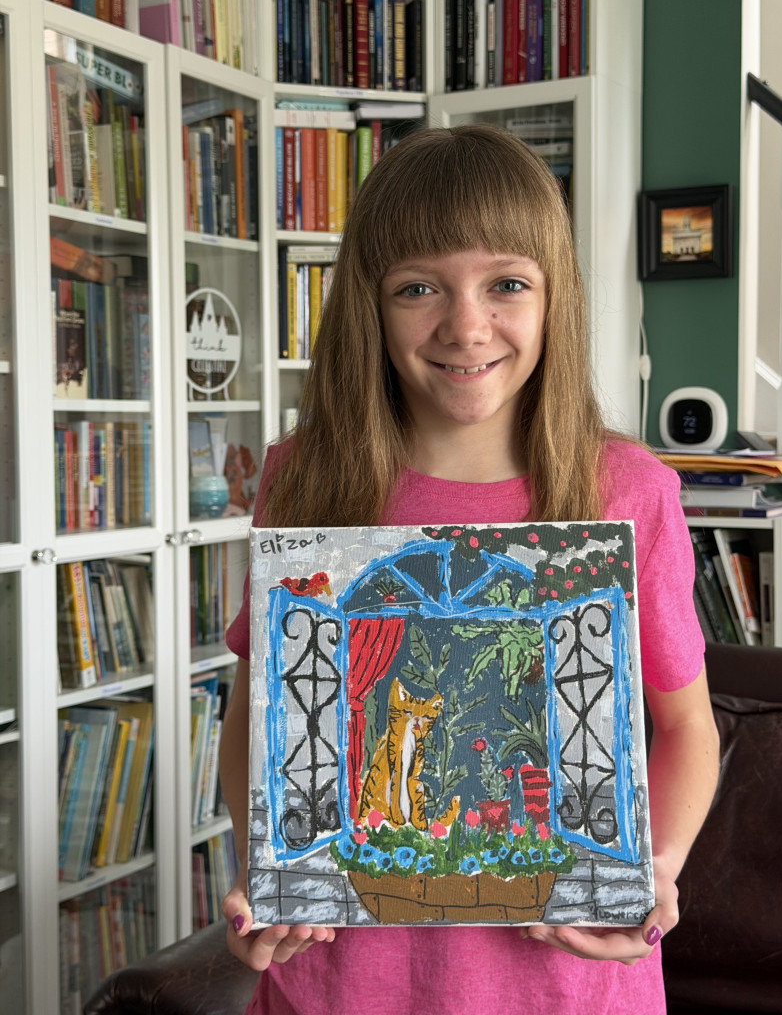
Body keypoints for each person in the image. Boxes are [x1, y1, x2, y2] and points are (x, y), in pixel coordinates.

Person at [219, 124, 720, 1015]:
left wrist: (656, 868)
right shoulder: (300, 477)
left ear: (554, 295)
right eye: (418, 287)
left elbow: (686, 727)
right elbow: (256, 716)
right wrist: (263, 869)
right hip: (339, 990)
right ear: (369, 306)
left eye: (507, 284)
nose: (466, 326)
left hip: (565, 989)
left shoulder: (628, 489)